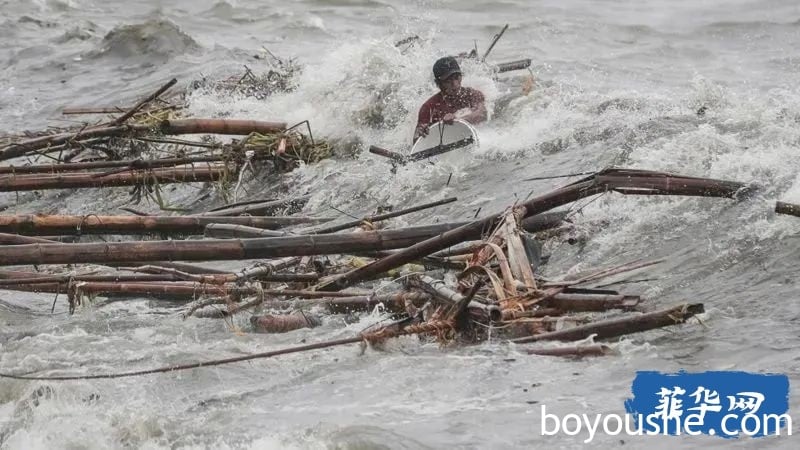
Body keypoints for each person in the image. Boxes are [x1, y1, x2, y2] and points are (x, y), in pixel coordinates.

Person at [413, 56, 488, 143]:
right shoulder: (428, 107)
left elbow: (482, 114)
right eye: (448, 81)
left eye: (457, 77)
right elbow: (416, 140)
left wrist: (457, 120)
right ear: (438, 83)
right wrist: (421, 132)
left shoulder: (473, 95)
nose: (455, 84)